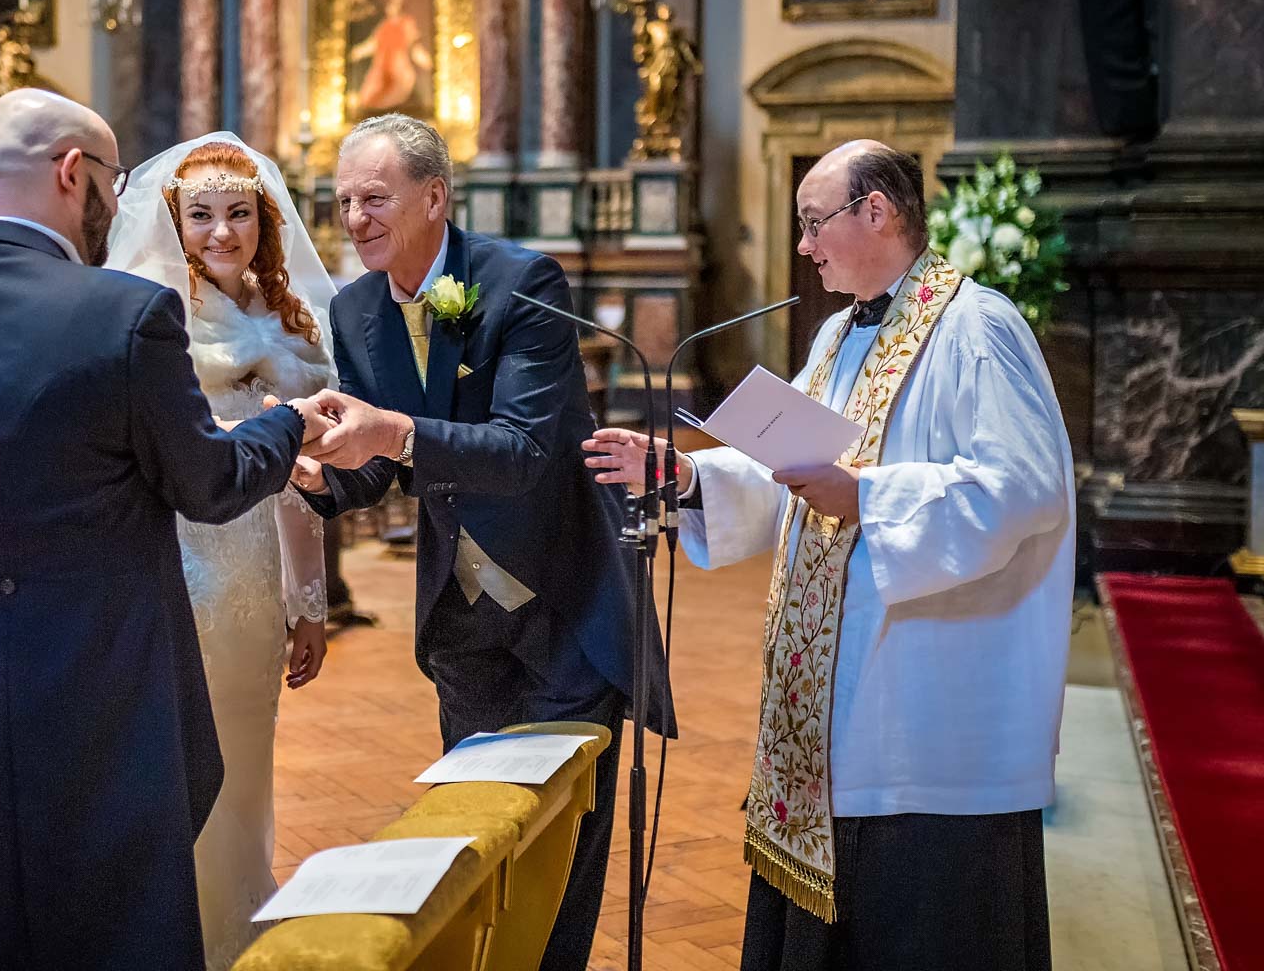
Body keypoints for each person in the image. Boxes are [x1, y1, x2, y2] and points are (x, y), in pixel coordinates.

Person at [0, 88, 338, 971]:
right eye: (110, 177)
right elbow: (210, 483)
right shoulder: (121, 314)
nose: (117, 202)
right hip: (92, 693)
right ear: (75, 174)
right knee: (93, 921)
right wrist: (290, 424)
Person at [584, 140, 1074, 970]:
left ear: (875, 211)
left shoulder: (976, 327)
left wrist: (870, 497)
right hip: (834, 704)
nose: (805, 245)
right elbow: (796, 468)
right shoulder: (841, 336)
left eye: (815, 223)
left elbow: (1026, 489)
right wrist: (691, 474)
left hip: (927, 709)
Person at [290, 113, 674, 970]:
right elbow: (375, 469)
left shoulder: (522, 284)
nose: (355, 218)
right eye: (343, 200)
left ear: (435, 196)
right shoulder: (355, 310)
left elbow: (526, 452)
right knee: (471, 834)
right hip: (464, 620)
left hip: (565, 602)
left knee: (559, 844)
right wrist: (323, 480)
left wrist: (390, 429)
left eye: (375, 198)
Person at [108, 133, 334, 967]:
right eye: (200, 215)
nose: (221, 233)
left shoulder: (288, 320)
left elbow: (306, 483)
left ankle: (239, 922)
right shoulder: (150, 317)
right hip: (178, 562)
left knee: (246, 753)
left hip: (256, 569)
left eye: (238, 214)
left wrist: (308, 605)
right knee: (176, 759)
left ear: (262, 223)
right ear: (173, 221)